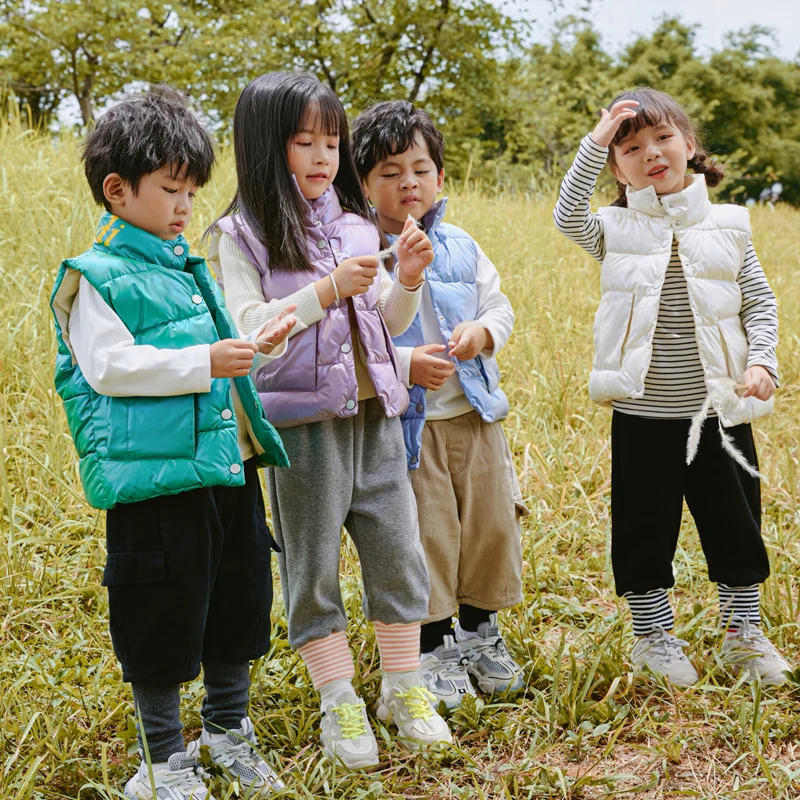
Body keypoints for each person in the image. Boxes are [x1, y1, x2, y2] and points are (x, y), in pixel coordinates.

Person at [50, 88, 295, 800]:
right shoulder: (98, 279)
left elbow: (215, 360)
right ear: (117, 190)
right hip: (155, 482)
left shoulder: (187, 269)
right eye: (171, 189)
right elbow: (109, 368)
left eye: (193, 190)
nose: (186, 205)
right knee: (161, 613)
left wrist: (252, 347)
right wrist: (207, 362)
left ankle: (228, 733)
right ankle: (162, 761)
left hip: (224, 468)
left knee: (236, 599)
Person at [208, 72, 452, 770]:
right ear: (264, 146)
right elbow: (250, 332)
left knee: (397, 548)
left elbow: (386, 322)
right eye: (304, 141)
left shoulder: (352, 223)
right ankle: (338, 696)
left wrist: (404, 278)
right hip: (303, 430)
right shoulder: (241, 235)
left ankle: (403, 687)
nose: (322, 157)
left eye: (332, 142)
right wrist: (322, 291)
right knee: (312, 567)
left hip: (374, 417)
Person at [553, 86, 791, 687]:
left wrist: (763, 361)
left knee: (735, 522)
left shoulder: (730, 225)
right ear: (616, 164)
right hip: (643, 414)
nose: (651, 153)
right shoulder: (612, 227)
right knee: (642, 527)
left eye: (663, 138)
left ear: (689, 144)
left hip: (720, 412)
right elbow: (565, 213)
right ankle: (653, 636)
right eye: (631, 147)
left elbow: (759, 303)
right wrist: (595, 140)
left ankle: (742, 632)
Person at [350, 100, 528, 709]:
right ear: (365, 184)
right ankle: (432, 645)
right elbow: (365, 329)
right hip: (409, 426)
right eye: (390, 172)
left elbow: (499, 306)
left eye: (420, 169)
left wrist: (482, 334)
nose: (408, 183)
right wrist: (407, 362)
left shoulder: (463, 245)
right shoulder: (362, 258)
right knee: (425, 535)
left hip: (474, 414)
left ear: (440, 179)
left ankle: (481, 630)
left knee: (488, 525)